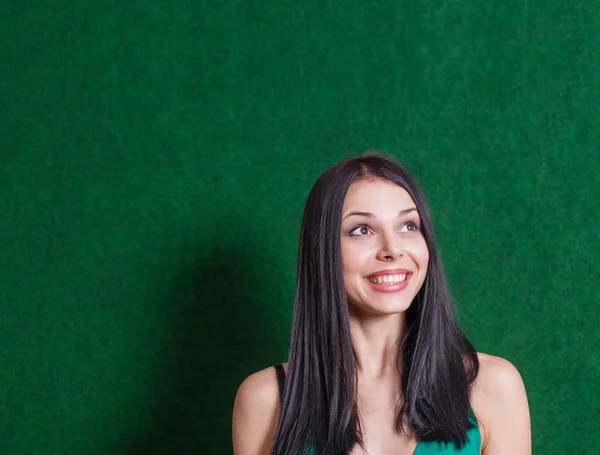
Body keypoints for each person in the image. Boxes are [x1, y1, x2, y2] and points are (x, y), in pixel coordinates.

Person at [232, 152, 531, 455]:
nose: (393, 249)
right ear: (321, 250)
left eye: (408, 226)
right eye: (362, 230)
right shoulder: (265, 400)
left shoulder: (492, 386)